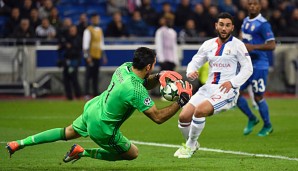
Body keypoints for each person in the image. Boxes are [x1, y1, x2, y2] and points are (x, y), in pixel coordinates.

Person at [6, 47, 193, 163]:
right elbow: (158, 117)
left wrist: (159, 78)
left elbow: (145, 81)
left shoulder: (125, 67)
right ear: (149, 67)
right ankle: (83, 152)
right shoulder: (136, 91)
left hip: (93, 108)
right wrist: (180, 102)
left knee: (66, 132)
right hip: (103, 127)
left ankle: (19, 143)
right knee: (132, 153)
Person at [173, 12, 253, 159]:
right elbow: (195, 61)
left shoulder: (238, 45)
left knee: (200, 111)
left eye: (227, 25)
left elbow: (248, 68)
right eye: (221, 24)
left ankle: (190, 146)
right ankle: (192, 143)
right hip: (207, 88)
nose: (224, 28)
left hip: (227, 90)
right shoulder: (208, 44)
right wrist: (191, 71)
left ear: (232, 27)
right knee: (184, 116)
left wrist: (233, 83)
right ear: (216, 26)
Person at [237, 0, 276, 137]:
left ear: (260, 6)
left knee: (258, 96)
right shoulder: (246, 21)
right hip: (247, 64)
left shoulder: (263, 24)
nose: (252, 6)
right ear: (247, 6)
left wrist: (253, 47)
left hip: (259, 64)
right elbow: (243, 38)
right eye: (250, 3)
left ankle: (267, 125)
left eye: (255, 4)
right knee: (235, 93)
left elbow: (272, 45)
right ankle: (252, 118)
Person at [83, 13, 107, 99]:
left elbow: (101, 43)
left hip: (97, 56)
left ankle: (95, 93)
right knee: (88, 75)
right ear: (92, 19)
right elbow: (85, 45)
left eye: (98, 18)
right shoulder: (88, 30)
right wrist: (87, 56)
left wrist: (103, 55)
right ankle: (86, 93)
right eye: (95, 19)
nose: (97, 20)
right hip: (91, 56)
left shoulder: (100, 30)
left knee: (95, 76)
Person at [59, 25, 82, 100]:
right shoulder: (67, 38)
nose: (72, 31)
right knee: (66, 78)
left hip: (74, 60)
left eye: (73, 30)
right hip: (67, 60)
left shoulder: (78, 38)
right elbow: (62, 46)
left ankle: (78, 94)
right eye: (71, 30)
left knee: (74, 77)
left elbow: (78, 49)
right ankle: (69, 96)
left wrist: (70, 46)